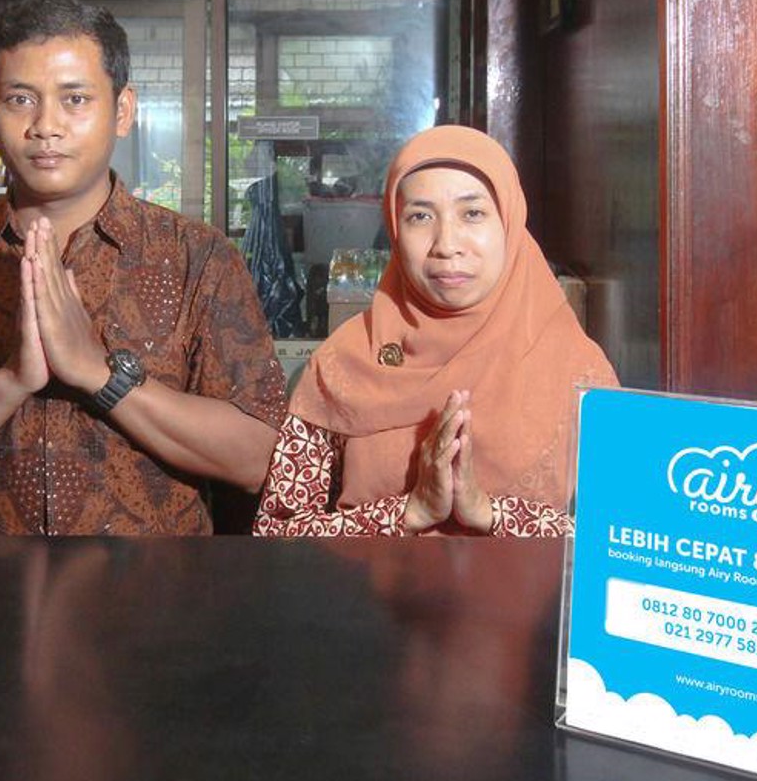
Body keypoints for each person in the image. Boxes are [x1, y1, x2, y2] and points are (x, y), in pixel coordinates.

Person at [0, 0, 287, 535]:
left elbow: (258, 458)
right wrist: (9, 382)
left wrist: (99, 374)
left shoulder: (198, 258)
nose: (46, 126)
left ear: (123, 111)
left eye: (75, 99)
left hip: (155, 583)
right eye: (20, 99)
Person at [254, 125, 617, 538]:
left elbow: (631, 542)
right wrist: (409, 512)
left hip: (528, 584)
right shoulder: (343, 362)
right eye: (420, 216)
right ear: (395, 229)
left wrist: (489, 513)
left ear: (510, 222)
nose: (446, 244)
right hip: (369, 582)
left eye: (472, 213)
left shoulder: (577, 370)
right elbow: (276, 533)